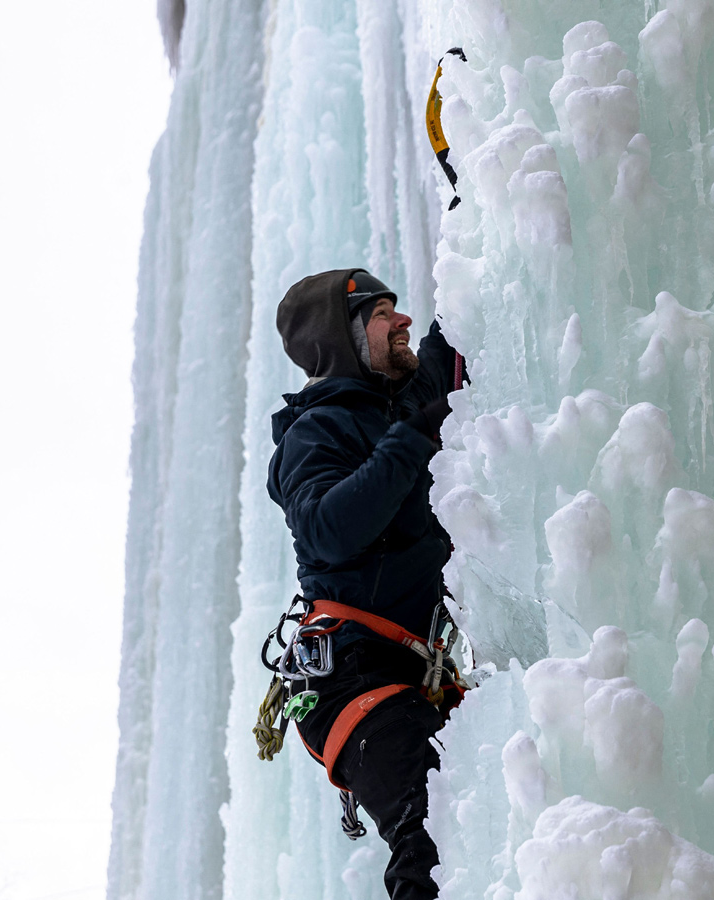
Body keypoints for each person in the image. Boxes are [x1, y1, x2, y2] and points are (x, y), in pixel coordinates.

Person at [266, 268, 464, 900]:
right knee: (430, 835)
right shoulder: (314, 434)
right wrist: (410, 438)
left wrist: (475, 205)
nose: (401, 320)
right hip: (350, 676)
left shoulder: (401, 402)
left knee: (489, 791)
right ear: (347, 339)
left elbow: (455, 329)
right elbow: (327, 527)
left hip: (410, 668)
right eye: (383, 315)